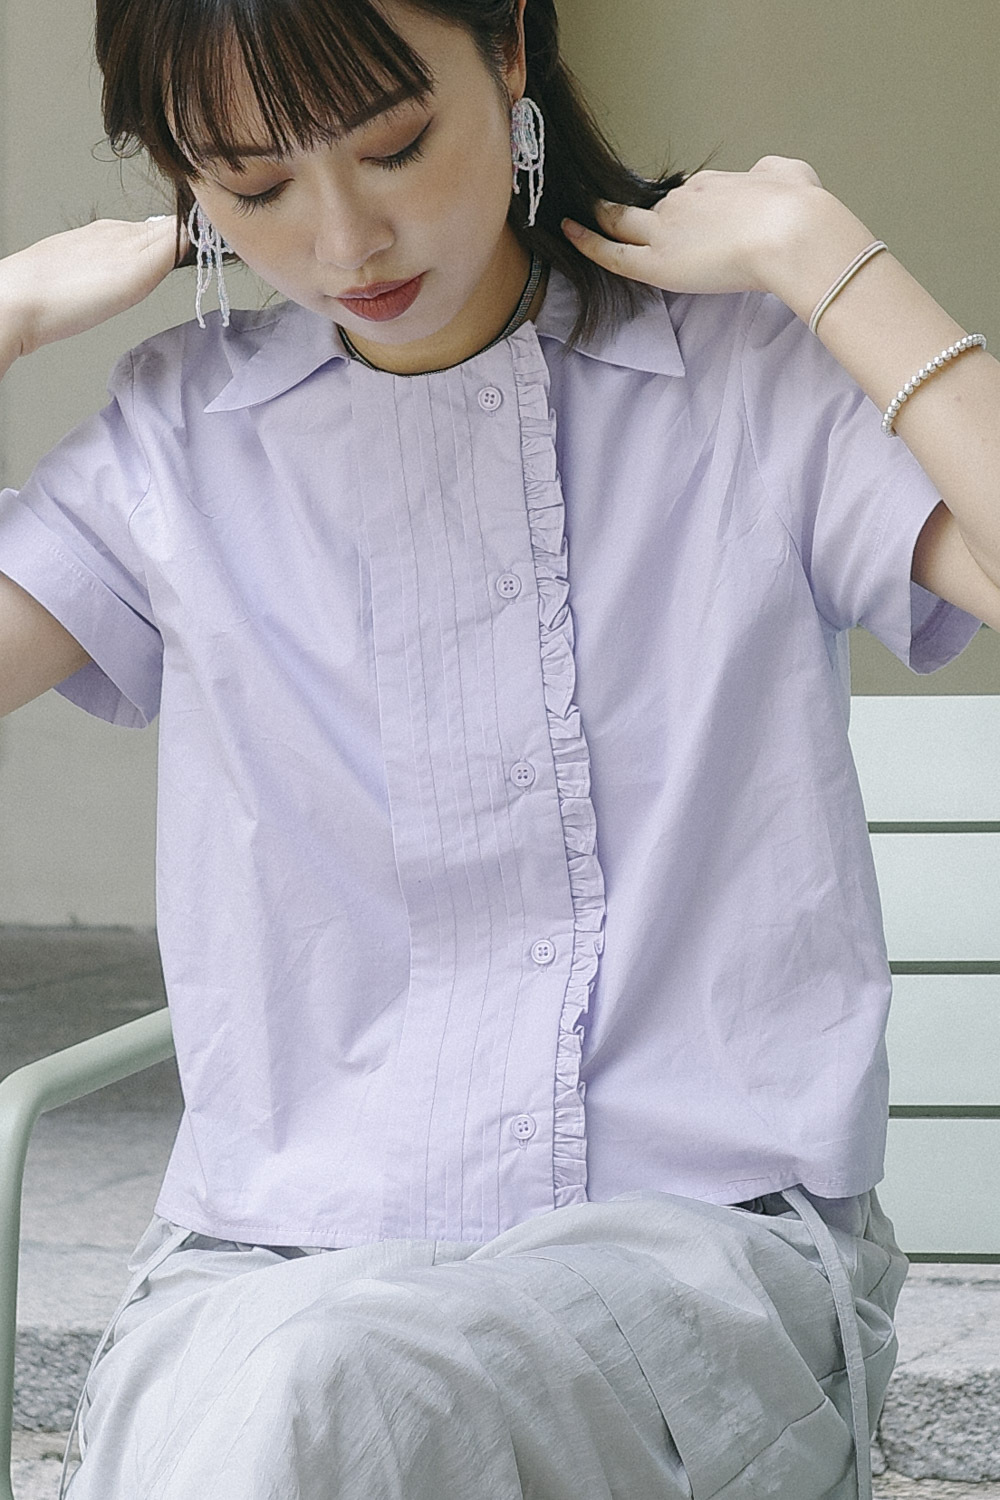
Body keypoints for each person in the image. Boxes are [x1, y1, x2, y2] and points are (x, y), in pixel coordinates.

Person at [1, 0, 998, 1495]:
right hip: (268, 1270)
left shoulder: (745, 382)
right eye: (255, 185)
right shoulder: (179, 442)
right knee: (300, 1394)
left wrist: (828, 260)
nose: (345, 243)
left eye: (396, 147)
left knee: (335, 1400)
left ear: (513, 49)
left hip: (693, 1266)